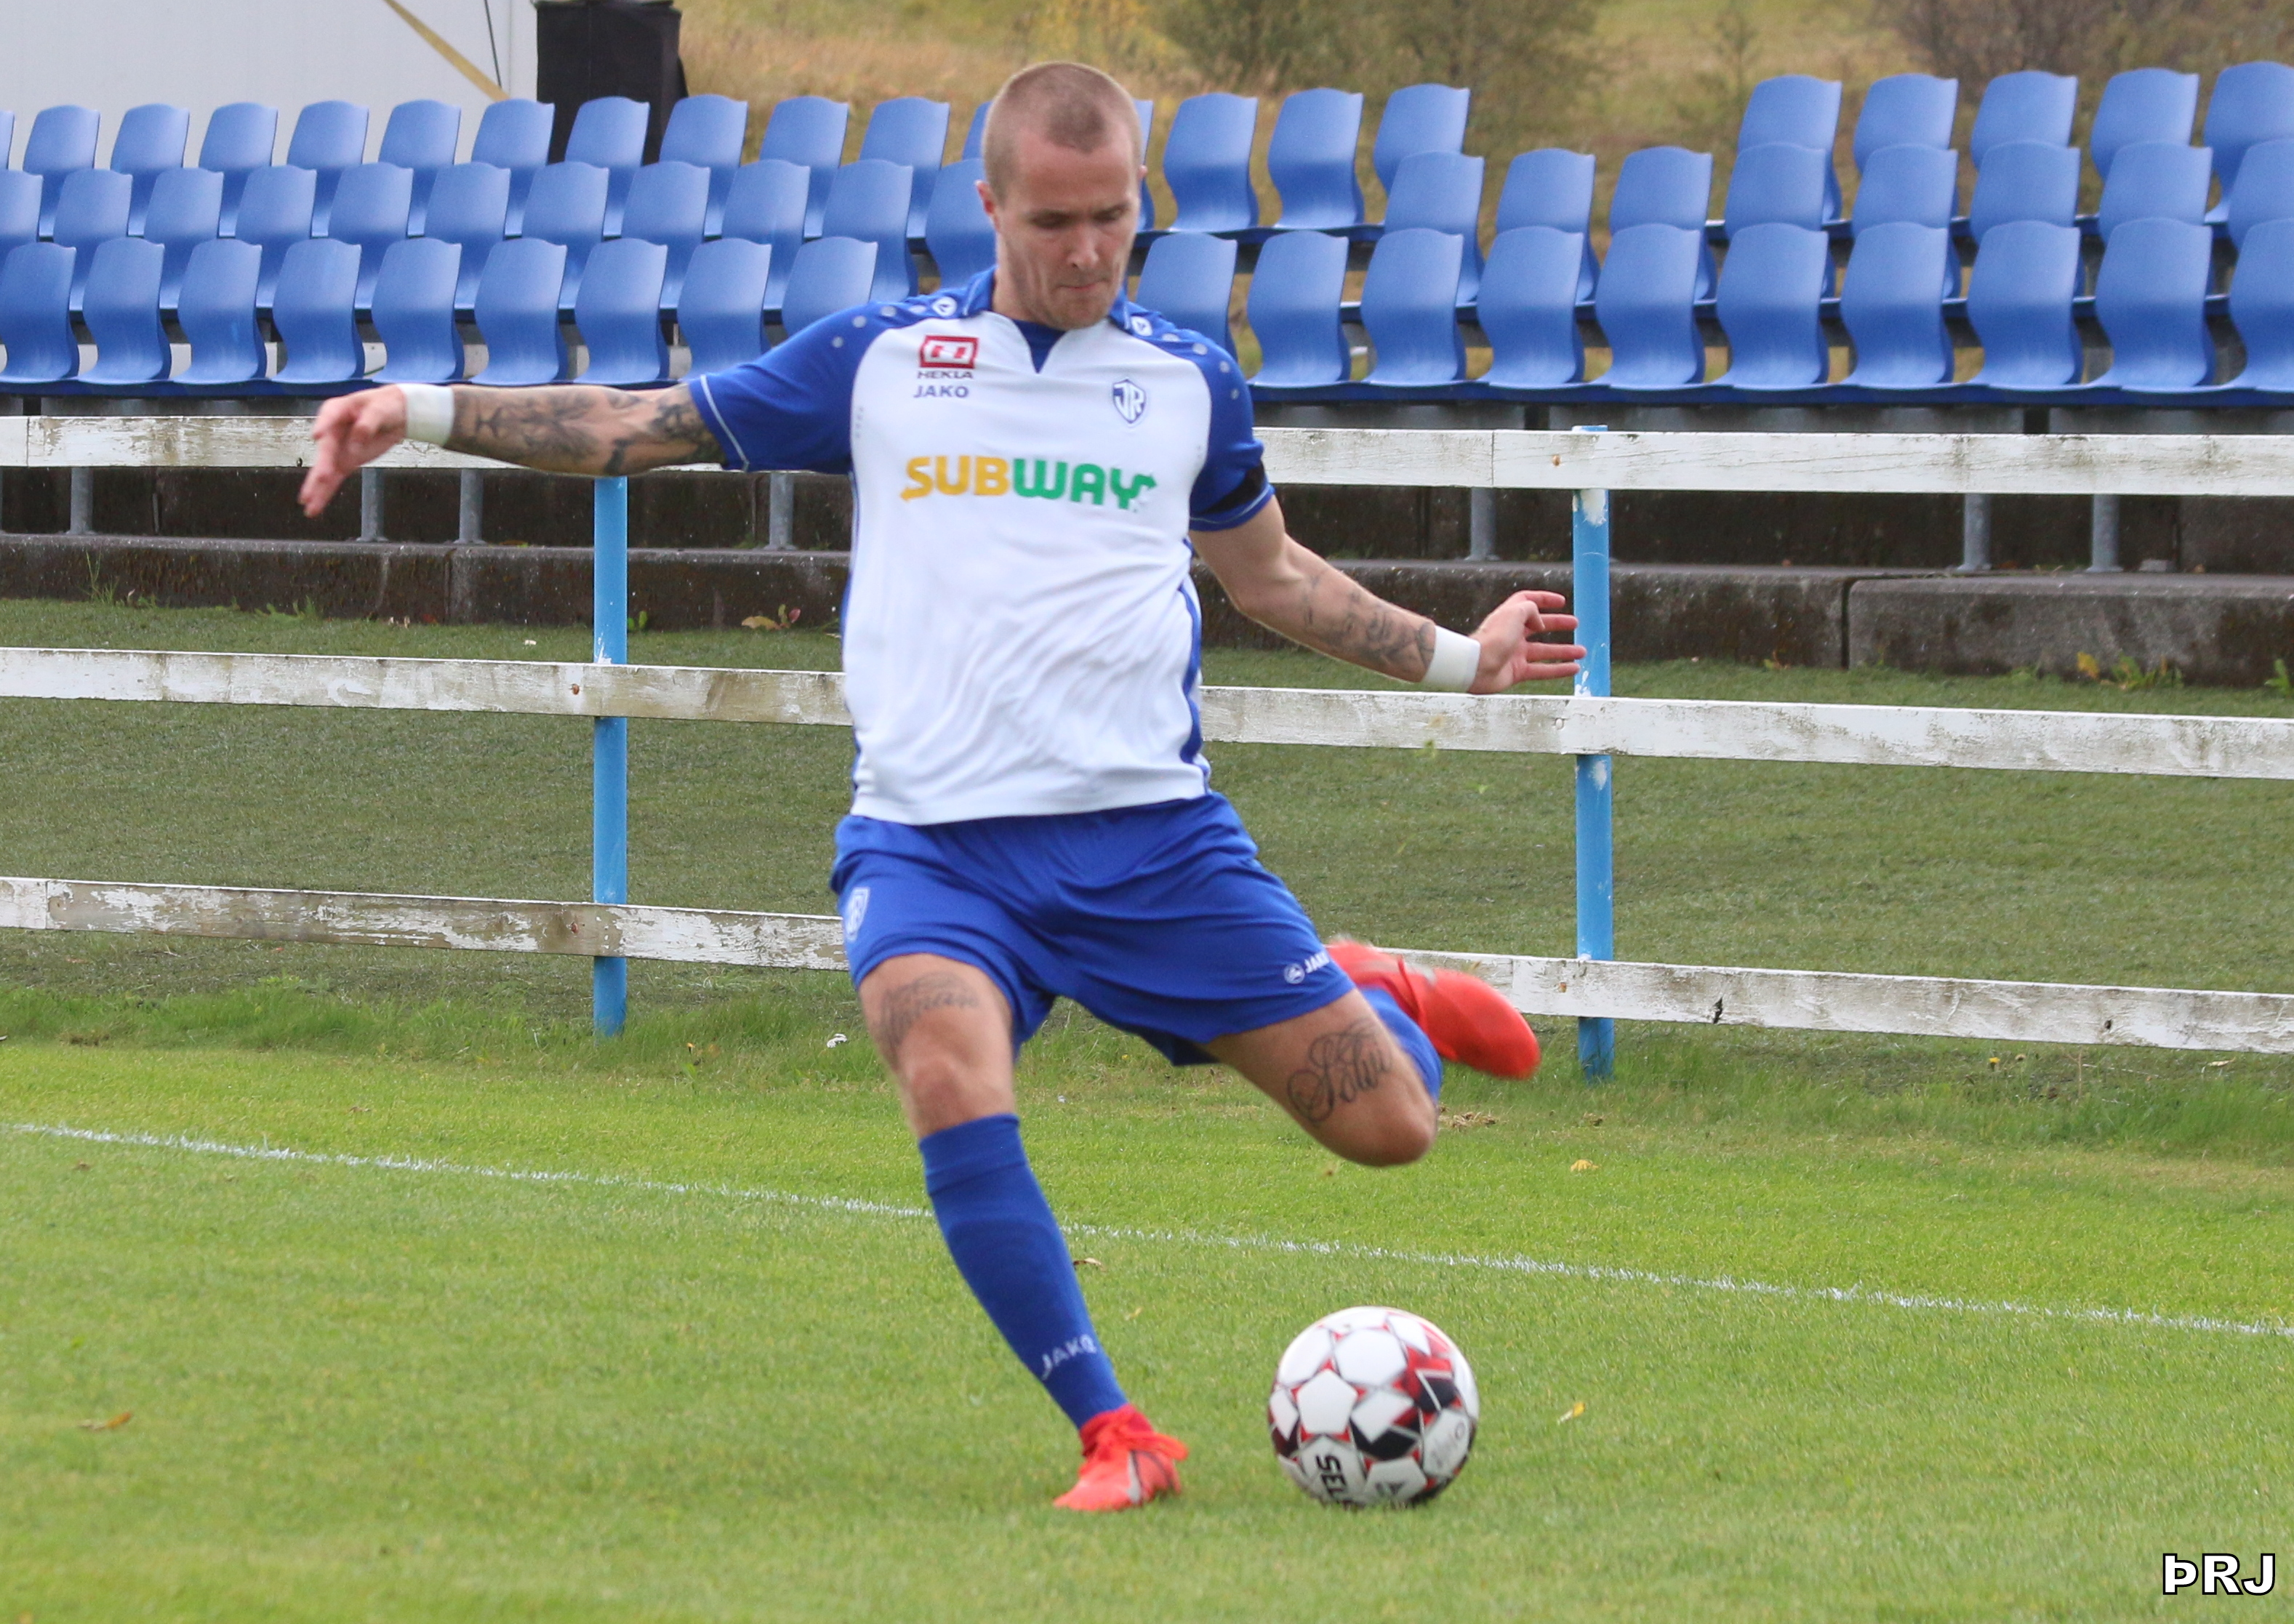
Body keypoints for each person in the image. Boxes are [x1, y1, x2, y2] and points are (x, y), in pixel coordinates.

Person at [298, 60, 1584, 1514]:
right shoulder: (885, 358)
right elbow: (640, 427)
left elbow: (1271, 576)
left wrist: (1459, 660)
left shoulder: (1188, 379)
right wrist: (419, 405)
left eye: (1114, 217)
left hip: (1154, 846)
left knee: (1392, 1129)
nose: (1088, 250)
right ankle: (1116, 1433)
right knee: (945, 1071)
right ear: (990, 205)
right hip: (933, 849)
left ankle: (1373, 985)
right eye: (1054, 220)